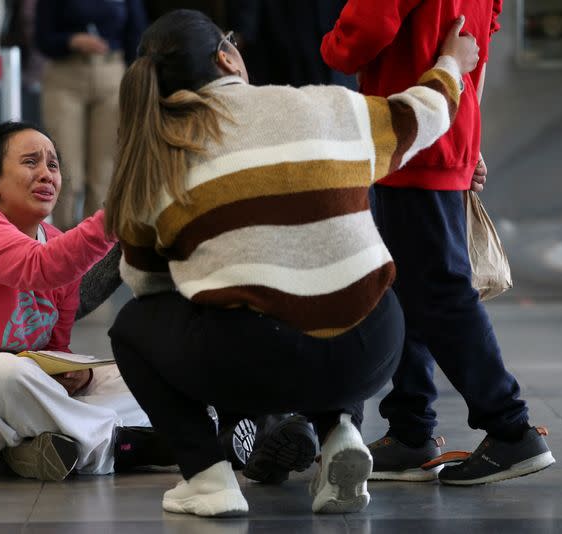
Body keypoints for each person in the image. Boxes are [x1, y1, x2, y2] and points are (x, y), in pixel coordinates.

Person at [106, 9, 478, 516]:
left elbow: (148, 289)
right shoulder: (325, 105)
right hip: (373, 348)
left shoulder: (158, 160)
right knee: (330, 284)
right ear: (227, 56)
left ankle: (208, 479)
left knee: (133, 327)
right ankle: (341, 431)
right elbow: (422, 114)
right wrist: (452, 65)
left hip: (251, 363)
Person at [322, 0, 555, 485]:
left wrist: (329, 42)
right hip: (443, 129)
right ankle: (410, 429)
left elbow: (357, 38)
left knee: (440, 290)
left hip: (408, 134)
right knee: (411, 287)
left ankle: (510, 428)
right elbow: (480, 48)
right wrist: (465, 129)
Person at [0, 122, 174, 481]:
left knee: (140, 372)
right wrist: (117, 214)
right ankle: (128, 445)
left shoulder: (55, 242)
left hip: (12, 411)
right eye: (30, 162)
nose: (46, 174)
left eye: (53, 165)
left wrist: (78, 376)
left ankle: (36, 449)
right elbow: (40, 268)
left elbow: (55, 349)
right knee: (4, 371)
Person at [35, 0, 147, 230]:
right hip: (66, 75)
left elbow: (138, 34)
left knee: (105, 172)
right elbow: (42, 38)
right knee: (66, 171)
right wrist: (71, 41)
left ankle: (97, 251)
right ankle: (61, 243)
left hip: (112, 73)